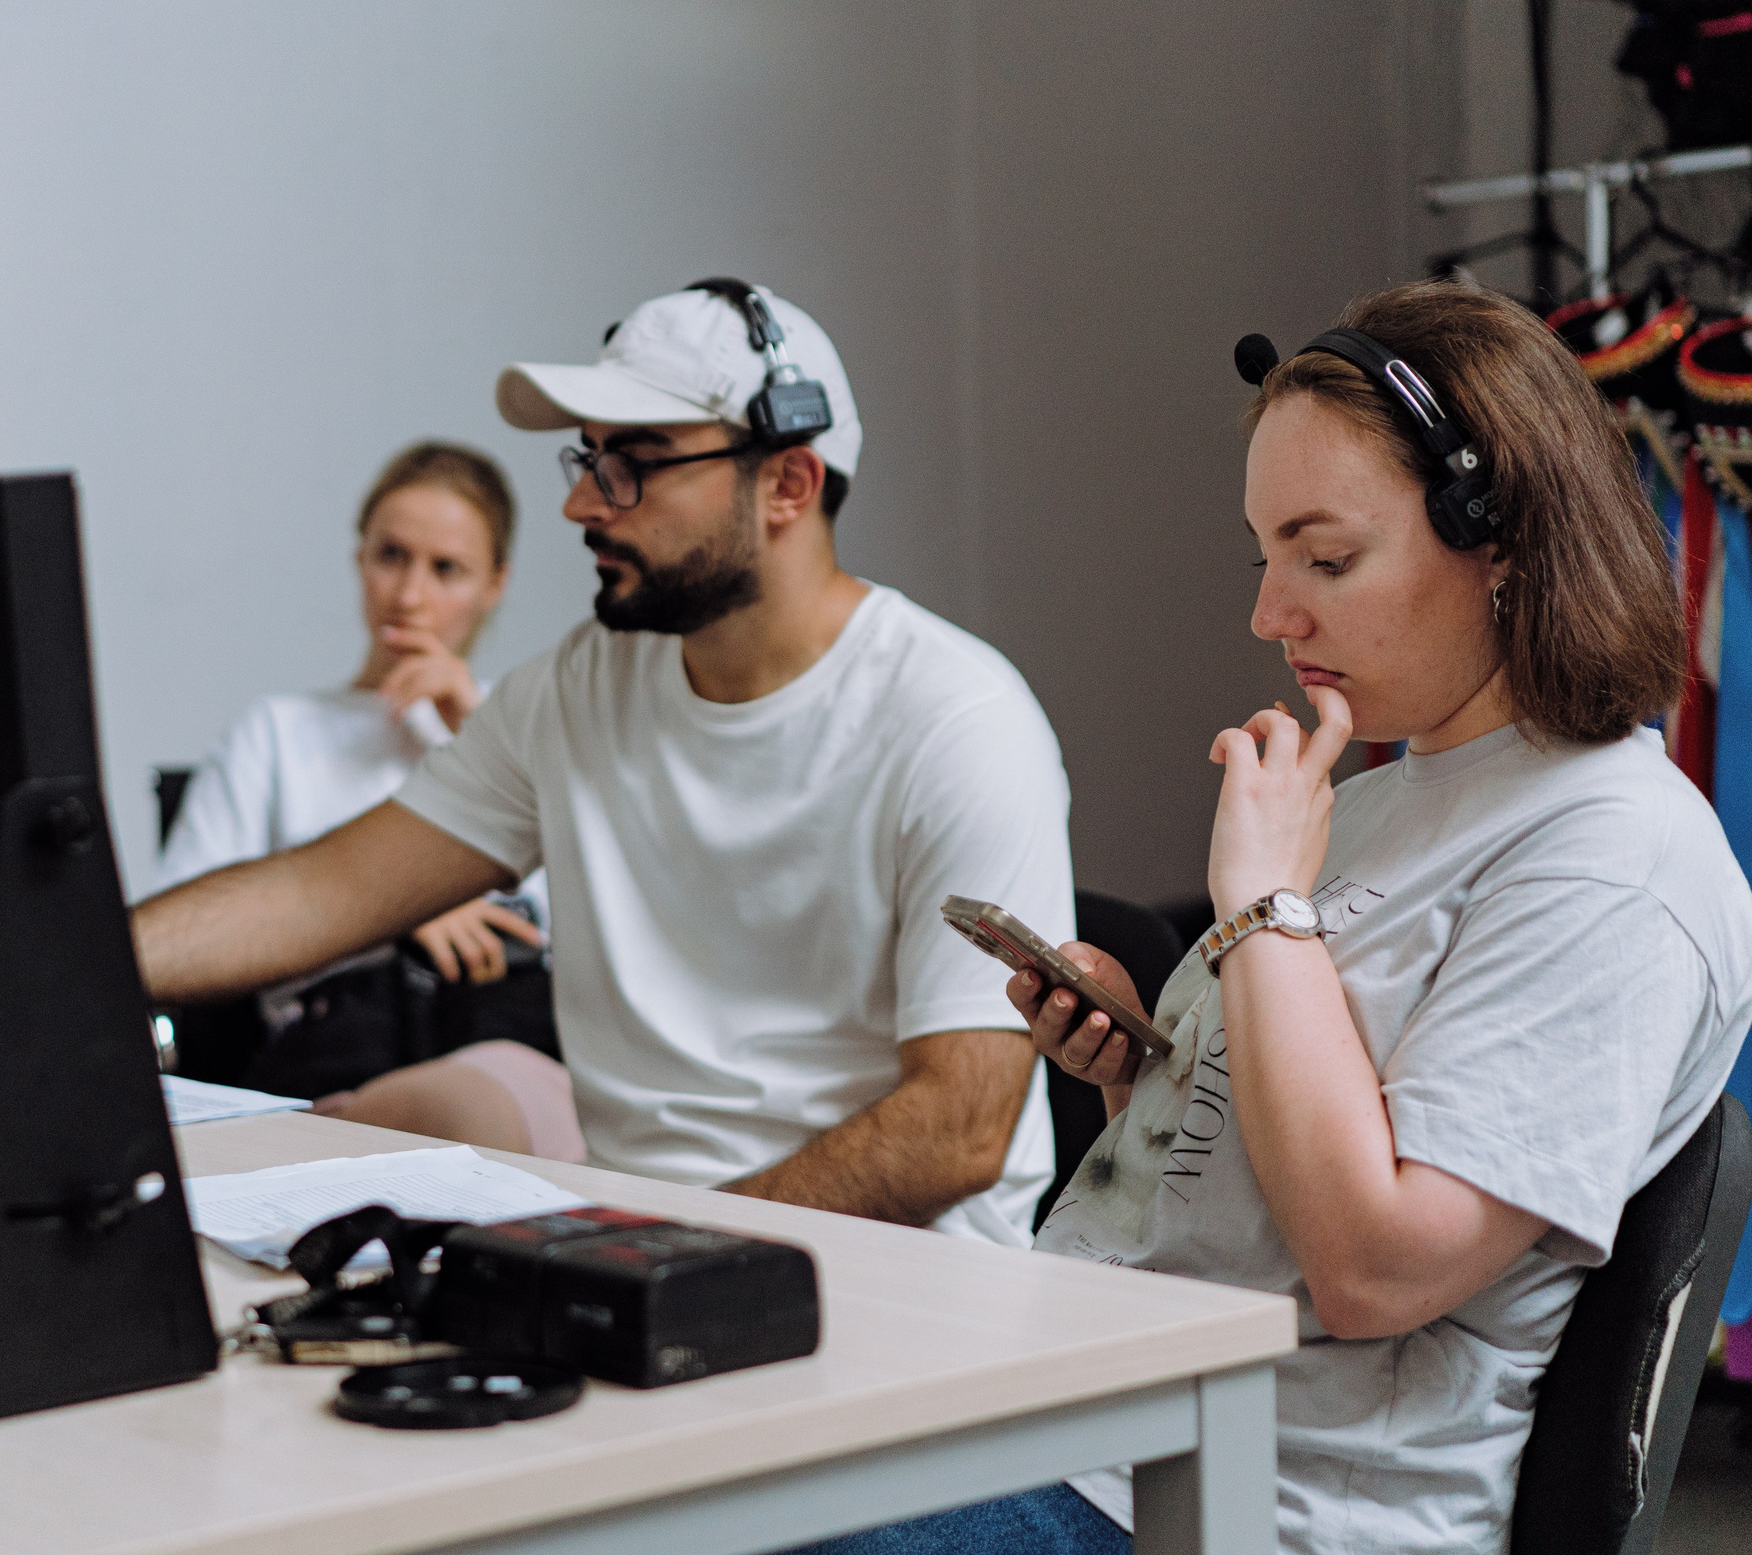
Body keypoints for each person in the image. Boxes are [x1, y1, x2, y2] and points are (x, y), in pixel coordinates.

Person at [774, 280, 1752, 1555]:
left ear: (1501, 535)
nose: (1269, 614)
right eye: (1266, 556)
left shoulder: (1616, 863)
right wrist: (1147, 1080)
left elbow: (1375, 1272)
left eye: (1327, 557)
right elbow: (1264, 1190)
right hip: (1097, 1429)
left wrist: (1262, 910)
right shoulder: (1381, 798)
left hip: (1259, 1510)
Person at [134, 280, 1071, 1244]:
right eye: (587, 458)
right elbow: (322, 892)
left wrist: (652, 1250)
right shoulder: (578, 689)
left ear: (788, 483)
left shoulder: (957, 719)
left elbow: (958, 1130)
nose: (585, 501)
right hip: (643, 1254)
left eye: (636, 463)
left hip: (898, 1283)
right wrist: (50, 962)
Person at [156, 442, 575, 1159]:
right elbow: (184, 939)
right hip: (339, 1041)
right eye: (391, 555)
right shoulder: (279, 730)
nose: (410, 594)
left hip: (510, 1037)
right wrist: (402, 906)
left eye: (446, 569)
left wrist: (475, 723)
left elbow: (597, 923)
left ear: (494, 583)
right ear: (360, 560)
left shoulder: (528, 723)